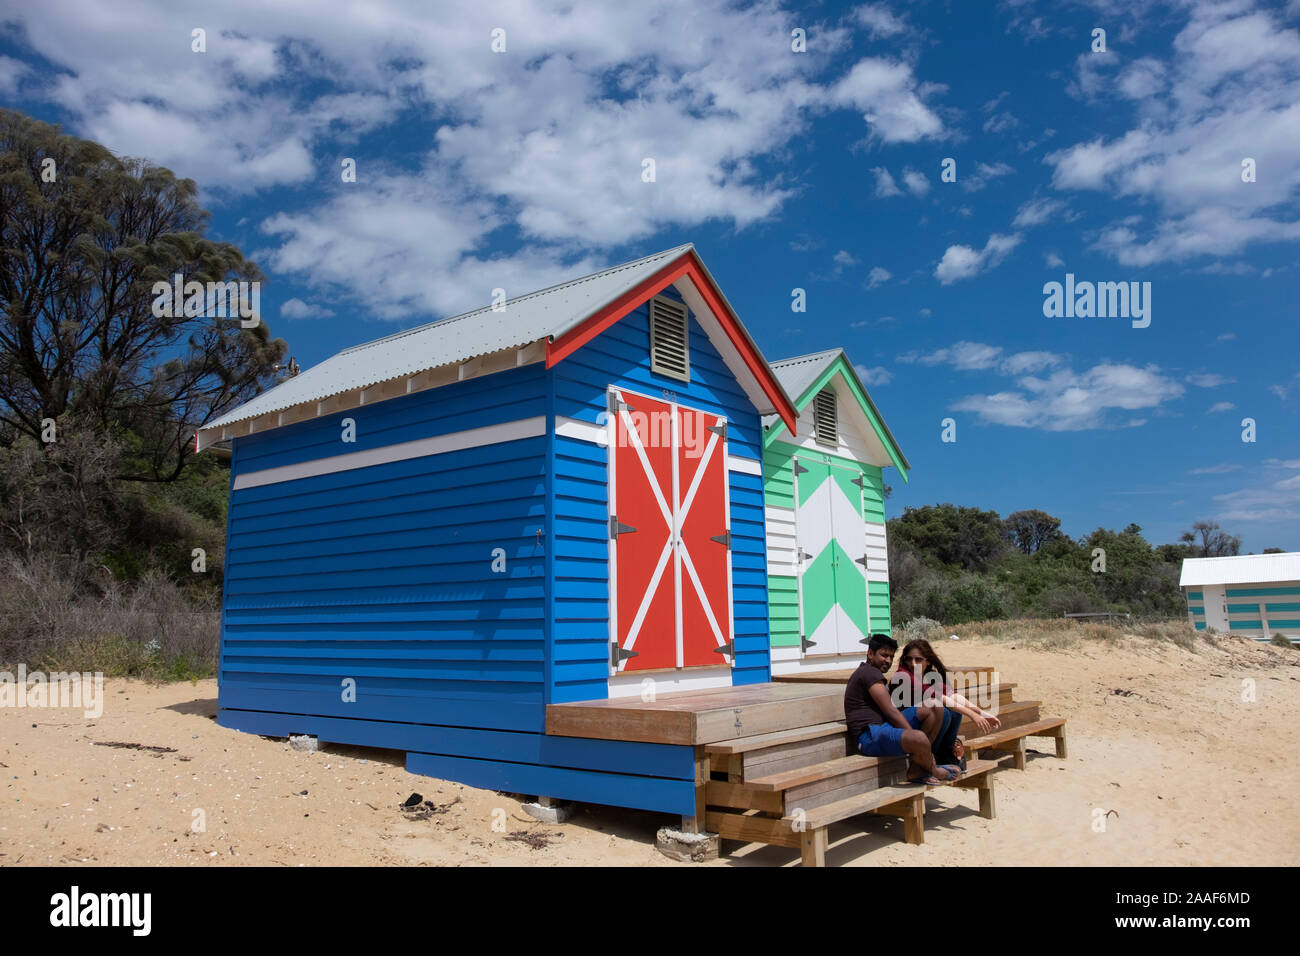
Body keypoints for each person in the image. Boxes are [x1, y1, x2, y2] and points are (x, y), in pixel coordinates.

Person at [843, 633, 961, 785]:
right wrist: (921, 743)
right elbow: (891, 711)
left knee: (935, 706)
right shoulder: (869, 673)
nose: (888, 661)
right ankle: (933, 769)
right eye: (884, 655)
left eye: (891, 657)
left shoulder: (872, 673)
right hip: (869, 737)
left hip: (883, 728)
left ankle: (917, 767)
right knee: (918, 738)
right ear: (870, 653)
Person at [891, 638, 1002, 768]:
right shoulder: (903, 676)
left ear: (928, 661)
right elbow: (941, 698)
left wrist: (982, 713)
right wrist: (973, 715)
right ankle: (932, 754)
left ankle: (945, 752)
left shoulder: (929, 675)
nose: (913, 664)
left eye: (918, 659)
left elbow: (951, 695)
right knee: (944, 711)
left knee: (953, 712)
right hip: (903, 725)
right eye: (909, 659)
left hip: (924, 723)